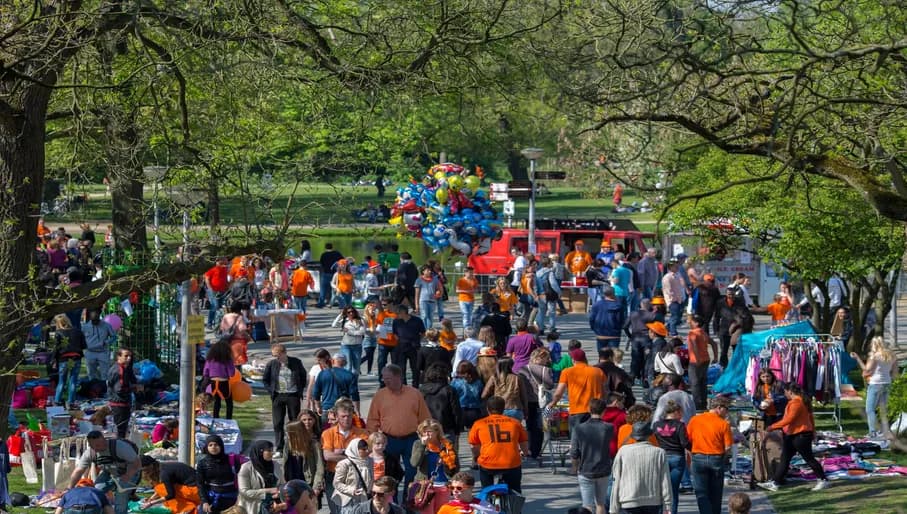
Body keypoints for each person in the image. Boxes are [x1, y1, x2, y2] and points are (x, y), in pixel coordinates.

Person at [367, 364, 431, 490]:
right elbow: (372, 419)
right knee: (390, 472)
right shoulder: (380, 395)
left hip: (411, 439)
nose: (384, 381)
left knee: (412, 470)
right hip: (389, 440)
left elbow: (425, 418)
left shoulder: (414, 394)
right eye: (383, 378)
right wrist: (371, 441)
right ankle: (392, 500)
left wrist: (427, 437)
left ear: (399, 377)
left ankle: (409, 499)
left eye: (388, 378)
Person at [757, 384, 829, 493]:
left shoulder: (796, 403)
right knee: (785, 459)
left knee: (808, 458)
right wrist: (813, 431)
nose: (785, 394)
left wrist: (771, 427)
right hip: (794, 435)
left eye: (785, 392)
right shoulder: (801, 401)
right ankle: (775, 482)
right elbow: (810, 419)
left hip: (800, 435)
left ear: (790, 391)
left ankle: (823, 480)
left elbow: (788, 420)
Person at [68, 430, 141, 514]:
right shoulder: (90, 452)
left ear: (104, 440)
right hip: (109, 472)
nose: (95, 448)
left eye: (98, 445)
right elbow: (79, 470)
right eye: (92, 446)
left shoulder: (120, 447)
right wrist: (69, 488)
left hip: (130, 471)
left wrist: (128, 475)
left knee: (121, 496)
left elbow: (137, 463)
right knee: (96, 491)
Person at [468, 396, 529, 493]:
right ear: (503, 408)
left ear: (487, 409)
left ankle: (487, 498)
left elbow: (473, 446)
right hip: (511, 463)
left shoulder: (479, 424)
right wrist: (524, 453)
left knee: (486, 490)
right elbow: (524, 443)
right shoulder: (515, 423)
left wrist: (476, 456)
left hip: (488, 464)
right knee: (515, 491)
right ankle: (514, 503)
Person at [610, 422, 673, 514]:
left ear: (633, 436)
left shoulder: (623, 451)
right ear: (649, 435)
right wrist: (667, 506)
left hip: (628, 500)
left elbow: (616, 480)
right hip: (653, 500)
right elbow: (665, 480)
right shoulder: (659, 452)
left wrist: (613, 508)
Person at [686, 396, 733, 514]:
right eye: (726, 409)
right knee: (716, 492)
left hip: (697, 457)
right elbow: (728, 447)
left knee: (701, 492)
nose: (727, 412)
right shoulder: (723, 424)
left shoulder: (694, 420)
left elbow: (688, 440)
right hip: (716, 458)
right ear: (719, 408)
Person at [322, 404, 369, 514]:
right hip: (333, 475)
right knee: (335, 509)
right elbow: (327, 456)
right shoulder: (328, 433)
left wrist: (339, 454)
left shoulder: (362, 433)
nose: (346, 419)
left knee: (356, 510)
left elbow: (366, 456)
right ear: (336, 417)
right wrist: (353, 455)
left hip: (355, 476)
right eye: (343, 416)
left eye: (349, 416)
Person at [263, 343, 307, 457]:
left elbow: (303, 376)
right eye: (274, 355)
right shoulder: (272, 364)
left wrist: (299, 390)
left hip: (292, 395)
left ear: (284, 353)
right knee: (278, 423)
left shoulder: (296, 362)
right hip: (278, 395)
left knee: (294, 422)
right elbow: (265, 379)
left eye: (278, 355)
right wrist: (270, 390)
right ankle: (279, 448)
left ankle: (295, 446)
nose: (276, 358)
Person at [571, 398, 614, 514]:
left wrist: (574, 467)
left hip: (586, 469)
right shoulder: (609, 427)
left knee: (587, 505)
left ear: (589, 409)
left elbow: (574, 451)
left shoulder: (579, 428)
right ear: (604, 411)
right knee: (600, 503)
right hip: (604, 469)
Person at [547, 349, 605, 432]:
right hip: (596, 411)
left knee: (576, 440)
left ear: (573, 360)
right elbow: (605, 390)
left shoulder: (567, 372)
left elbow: (558, 393)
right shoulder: (598, 371)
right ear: (585, 358)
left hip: (577, 411)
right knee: (594, 440)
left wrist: (553, 403)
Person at [852, 336, 899, 437]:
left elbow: (867, 370)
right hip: (887, 383)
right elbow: (895, 373)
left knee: (870, 409)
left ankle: (872, 432)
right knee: (883, 409)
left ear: (875, 345)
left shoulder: (875, 356)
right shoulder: (892, 355)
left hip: (875, 384)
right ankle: (884, 431)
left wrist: (858, 359)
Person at [411, 419, 460, 514]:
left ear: (437, 432)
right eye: (423, 432)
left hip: (443, 485)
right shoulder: (418, 444)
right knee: (426, 512)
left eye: (429, 432)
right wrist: (422, 446)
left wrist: (446, 462)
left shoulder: (447, 444)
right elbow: (414, 463)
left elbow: (455, 467)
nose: (426, 435)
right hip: (424, 486)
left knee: (442, 511)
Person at [653, 401, 689, 514]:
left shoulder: (656, 425)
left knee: (659, 490)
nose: (682, 415)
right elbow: (684, 443)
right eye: (681, 412)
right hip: (677, 457)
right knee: (673, 490)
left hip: (661, 457)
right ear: (676, 412)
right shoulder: (680, 425)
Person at [519, 347, 554, 462]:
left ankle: (528, 450)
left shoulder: (523, 368)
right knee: (540, 427)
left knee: (529, 426)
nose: (547, 360)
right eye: (546, 358)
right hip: (541, 402)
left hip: (527, 400)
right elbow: (549, 385)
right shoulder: (545, 370)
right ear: (540, 358)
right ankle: (536, 451)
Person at [237, 440, 285, 514]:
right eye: (269, 450)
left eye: (272, 450)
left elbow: (282, 484)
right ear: (260, 451)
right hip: (254, 508)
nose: (272, 453)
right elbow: (244, 492)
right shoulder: (246, 468)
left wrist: (280, 494)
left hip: (275, 507)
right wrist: (269, 491)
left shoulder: (276, 465)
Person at [284, 415, 325, 501]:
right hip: (291, 485)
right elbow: (284, 466)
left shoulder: (314, 445)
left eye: (288, 433)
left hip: (308, 484)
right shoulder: (288, 446)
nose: (286, 435)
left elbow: (320, 467)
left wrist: (316, 487)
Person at [419, 362, 463, 442]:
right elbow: (456, 412)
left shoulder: (421, 390)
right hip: (446, 429)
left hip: (426, 429)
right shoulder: (449, 390)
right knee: (449, 453)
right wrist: (457, 430)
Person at [52, 314, 86, 408]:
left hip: (64, 359)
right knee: (73, 381)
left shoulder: (59, 333)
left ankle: (57, 401)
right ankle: (71, 402)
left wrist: (53, 360)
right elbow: (84, 345)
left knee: (61, 381)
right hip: (76, 357)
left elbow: (56, 348)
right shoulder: (78, 331)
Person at [313, 354, 360, 421]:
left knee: (326, 430)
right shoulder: (350, 375)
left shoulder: (323, 373)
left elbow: (316, 393)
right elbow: (355, 395)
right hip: (344, 411)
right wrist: (357, 410)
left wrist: (318, 407)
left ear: (332, 361)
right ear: (345, 363)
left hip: (327, 409)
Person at [332, 438, 373, 513]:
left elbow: (372, 478)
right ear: (355, 450)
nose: (367, 451)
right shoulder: (344, 464)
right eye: (363, 449)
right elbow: (336, 483)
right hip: (348, 500)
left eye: (367, 449)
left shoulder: (370, 461)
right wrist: (351, 490)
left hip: (364, 499)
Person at [107, 348, 139, 438]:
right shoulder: (119, 370)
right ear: (118, 356)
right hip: (119, 403)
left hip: (122, 402)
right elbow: (119, 389)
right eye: (126, 356)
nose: (129, 358)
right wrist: (134, 388)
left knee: (122, 429)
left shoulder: (126, 368)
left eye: (130, 356)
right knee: (120, 430)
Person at [687, 314, 717, 411]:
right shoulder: (703, 333)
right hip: (706, 360)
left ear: (696, 323)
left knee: (695, 383)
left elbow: (694, 346)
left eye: (691, 321)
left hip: (696, 361)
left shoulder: (692, 333)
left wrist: (697, 358)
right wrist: (715, 357)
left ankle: (697, 405)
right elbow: (714, 343)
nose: (689, 322)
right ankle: (703, 404)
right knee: (703, 382)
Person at [391, 304, 425, 387]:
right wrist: (399, 340)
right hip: (401, 347)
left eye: (398, 313)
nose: (397, 315)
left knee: (415, 368)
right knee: (401, 368)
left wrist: (417, 340)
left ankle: (415, 386)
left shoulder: (417, 320)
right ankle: (403, 386)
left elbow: (423, 332)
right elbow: (394, 333)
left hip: (414, 347)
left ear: (403, 312)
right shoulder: (396, 321)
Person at [203, 340, 236, 419]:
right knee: (229, 403)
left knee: (217, 403)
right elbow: (232, 373)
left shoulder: (210, 360)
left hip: (213, 383)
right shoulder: (227, 360)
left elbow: (205, 372)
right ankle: (229, 419)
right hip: (224, 383)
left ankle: (215, 418)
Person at [82, 308, 116, 381]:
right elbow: (81, 338)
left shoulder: (106, 325)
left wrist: (106, 342)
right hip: (90, 353)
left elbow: (114, 337)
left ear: (99, 317)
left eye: (96, 320)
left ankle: (105, 390)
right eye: (93, 320)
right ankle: (93, 390)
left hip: (103, 353)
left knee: (105, 374)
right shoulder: (85, 327)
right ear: (90, 317)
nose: (95, 322)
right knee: (91, 374)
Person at [451, 361, 485, 431]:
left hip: (460, 410)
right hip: (475, 410)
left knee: (460, 435)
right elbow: (481, 396)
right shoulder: (478, 382)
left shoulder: (455, 382)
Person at [589, 285, 625, 350]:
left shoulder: (596, 305)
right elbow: (621, 320)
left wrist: (594, 329)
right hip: (614, 334)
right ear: (614, 293)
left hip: (600, 334)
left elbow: (592, 319)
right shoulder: (619, 306)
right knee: (614, 356)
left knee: (602, 356)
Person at [535, 256, 561, 335]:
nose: (552, 264)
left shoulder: (537, 273)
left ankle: (540, 328)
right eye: (551, 263)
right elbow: (553, 284)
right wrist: (559, 292)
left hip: (541, 294)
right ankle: (552, 328)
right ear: (548, 264)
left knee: (541, 311)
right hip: (550, 295)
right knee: (552, 312)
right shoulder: (550, 272)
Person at [220, 301, 251, 366]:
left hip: (226, 341)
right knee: (238, 362)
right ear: (240, 309)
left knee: (229, 361)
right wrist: (248, 337)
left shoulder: (225, 316)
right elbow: (242, 330)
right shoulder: (239, 317)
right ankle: (237, 375)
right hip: (237, 342)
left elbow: (222, 328)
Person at [340, 306, 367, 377]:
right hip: (346, 345)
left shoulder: (361, 320)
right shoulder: (344, 320)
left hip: (357, 346)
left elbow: (361, 332)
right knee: (348, 366)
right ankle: (347, 384)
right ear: (346, 313)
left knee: (356, 368)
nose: (351, 313)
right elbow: (334, 325)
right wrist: (340, 315)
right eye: (349, 312)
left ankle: (354, 384)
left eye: (352, 311)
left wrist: (349, 332)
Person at [661, 260, 685, 337]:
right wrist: (674, 299)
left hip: (680, 299)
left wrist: (681, 297)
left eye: (677, 265)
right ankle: (673, 333)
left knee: (677, 317)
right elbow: (668, 291)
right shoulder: (667, 277)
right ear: (670, 267)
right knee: (675, 316)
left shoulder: (677, 275)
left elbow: (680, 287)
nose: (677, 267)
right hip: (672, 300)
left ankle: (666, 328)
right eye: (675, 266)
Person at [204, 257, 230, 329]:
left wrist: (228, 287)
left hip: (222, 291)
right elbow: (207, 279)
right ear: (218, 261)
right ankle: (209, 323)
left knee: (221, 307)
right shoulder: (212, 269)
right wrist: (210, 289)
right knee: (215, 306)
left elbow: (225, 279)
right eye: (223, 260)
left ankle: (218, 323)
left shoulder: (225, 269)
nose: (225, 261)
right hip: (213, 291)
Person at [318, 244, 344, 308]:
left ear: (325, 248)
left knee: (323, 289)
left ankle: (321, 303)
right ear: (332, 247)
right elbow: (343, 261)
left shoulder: (324, 255)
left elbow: (321, 264)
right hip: (335, 274)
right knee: (336, 289)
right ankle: (339, 302)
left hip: (326, 273)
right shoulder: (337, 253)